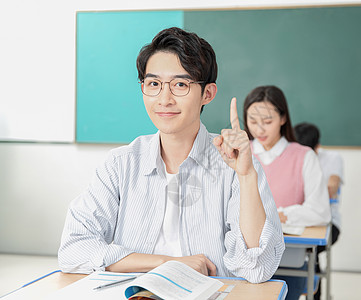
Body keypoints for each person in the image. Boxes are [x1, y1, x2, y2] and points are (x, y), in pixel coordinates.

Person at [58, 27, 285, 284]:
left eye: (180, 84)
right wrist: (166, 264)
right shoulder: (121, 164)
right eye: (153, 84)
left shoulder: (235, 164)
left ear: (207, 94)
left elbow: (257, 269)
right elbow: (73, 249)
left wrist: (245, 176)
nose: (164, 99)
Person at [243, 85, 331, 299]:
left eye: (268, 121)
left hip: (288, 258)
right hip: (244, 259)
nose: (260, 129)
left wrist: (280, 215)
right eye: (253, 121)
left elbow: (321, 212)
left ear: (283, 118)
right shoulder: (240, 154)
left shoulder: (304, 156)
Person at [294, 122, 343, 300]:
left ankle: (313, 293)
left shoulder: (332, 158)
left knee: (309, 253)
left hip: (328, 224)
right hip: (296, 222)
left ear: (318, 147)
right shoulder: (293, 156)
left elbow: (332, 187)